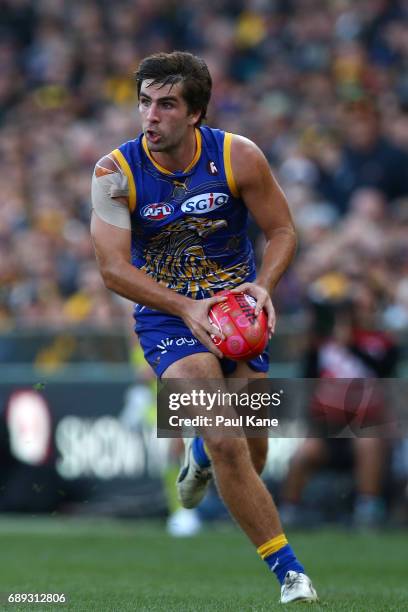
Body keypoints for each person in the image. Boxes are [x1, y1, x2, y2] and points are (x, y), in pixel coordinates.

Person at [90, 51, 318, 604]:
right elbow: (112, 268)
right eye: (144, 102)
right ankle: (291, 574)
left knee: (251, 451)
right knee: (225, 437)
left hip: (238, 317)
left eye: (166, 104)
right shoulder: (112, 174)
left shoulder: (239, 156)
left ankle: (196, 451)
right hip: (167, 315)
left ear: (196, 113)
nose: (150, 116)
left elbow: (283, 230)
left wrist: (263, 286)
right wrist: (187, 308)